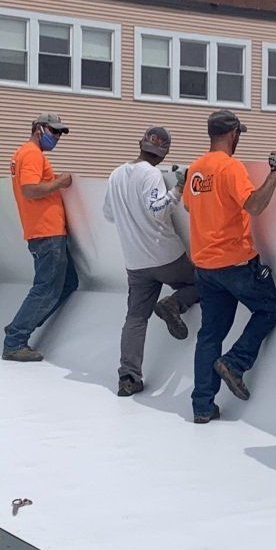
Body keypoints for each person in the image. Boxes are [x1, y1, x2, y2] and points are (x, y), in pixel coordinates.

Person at [180, 110, 276, 424]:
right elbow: (254, 205)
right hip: (236, 263)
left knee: (210, 334)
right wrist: (275, 173)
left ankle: (202, 406)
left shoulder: (196, 169)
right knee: (270, 309)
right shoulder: (230, 167)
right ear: (233, 134)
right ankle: (235, 363)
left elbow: (188, 203)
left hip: (205, 266)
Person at [102, 126, 199, 397]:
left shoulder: (116, 174)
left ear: (139, 143)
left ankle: (128, 378)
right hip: (166, 254)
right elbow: (159, 210)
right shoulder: (152, 173)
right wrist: (179, 187)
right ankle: (173, 304)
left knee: (135, 318)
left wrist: (130, 214)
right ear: (164, 152)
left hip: (135, 262)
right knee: (205, 282)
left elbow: (109, 214)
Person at [3, 113, 79, 362]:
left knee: (68, 283)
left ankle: (21, 323)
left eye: (59, 133)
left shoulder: (23, 153)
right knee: (46, 288)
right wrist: (60, 182)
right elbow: (30, 189)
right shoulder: (32, 154)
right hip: (47, 231)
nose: (56, 137)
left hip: (44, 230)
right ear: (38, 129)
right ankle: (15, 338)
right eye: (53, 131)